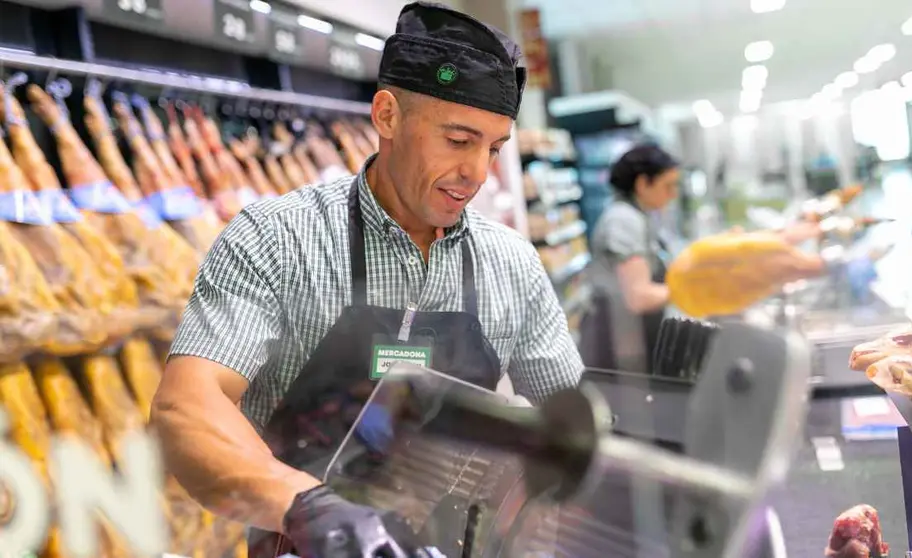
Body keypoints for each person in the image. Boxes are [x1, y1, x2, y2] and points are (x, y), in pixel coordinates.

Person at [150, 2, 582, 556]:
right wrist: (309, 507)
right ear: (387, 116)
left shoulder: (512, 264)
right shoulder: (277, 239)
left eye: (493, 148)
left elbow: (570, 428)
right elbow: (186, 406)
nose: (478, 173)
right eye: (458, 140)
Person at [580, 144, 822, 374]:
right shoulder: (624, 221)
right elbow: (639, 297)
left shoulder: (640, 216)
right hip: (620, 350)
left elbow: (681, 259)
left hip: (635, 340)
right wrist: (702, 285)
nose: (673, 195)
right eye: (668, 186)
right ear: (643, 183)